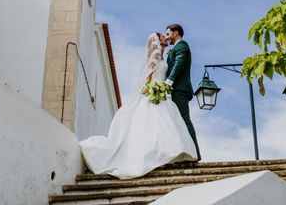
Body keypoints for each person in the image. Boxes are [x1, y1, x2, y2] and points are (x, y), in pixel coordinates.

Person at [79, 32, 197, 179]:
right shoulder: (154, 57)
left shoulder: (164, 56)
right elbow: (148, 76)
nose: (165, 38)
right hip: (157, 92)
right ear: (157, 41)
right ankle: (161, 155)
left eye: (167, 35)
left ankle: (167, 155)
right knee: (160, 123)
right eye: (163, 36)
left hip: (164, 93)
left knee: (165, 124)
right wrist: (153, 88)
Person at [165, 23, 201, 161]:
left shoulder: (181, 45)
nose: (167, 38)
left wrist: (169, 80)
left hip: (179, 89)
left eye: (168, 34)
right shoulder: (175, 47)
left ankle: (195, 153)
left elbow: (179, 63)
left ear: (176, 33)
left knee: (184, 120)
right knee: (176, 121)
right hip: (175, 89)